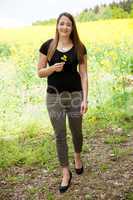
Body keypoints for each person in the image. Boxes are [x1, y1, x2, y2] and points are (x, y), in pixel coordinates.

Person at [37, 12, 88, 193]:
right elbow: (40, 72)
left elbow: (83, 74)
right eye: (62, 24)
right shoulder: (48, 46)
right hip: (54, 97)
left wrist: (85, 98)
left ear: (72, 27)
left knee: (76, 131)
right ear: (57, 26)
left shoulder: (79, 47)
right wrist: (51, 68)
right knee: (59, 134)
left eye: (68, 24)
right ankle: (65, 172)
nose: (65, 27)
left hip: (75, 96)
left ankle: (77, 156)